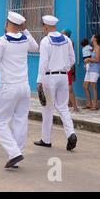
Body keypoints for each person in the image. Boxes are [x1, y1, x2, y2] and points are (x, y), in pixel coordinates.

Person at [0, 11, 39, 169]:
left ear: (7, 24)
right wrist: (25, 30)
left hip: (8, 86)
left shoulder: (2, 41)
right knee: (20, 120)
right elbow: (36, 47)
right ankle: (17, 152)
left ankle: (14, 153)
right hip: (24, 86)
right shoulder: (25, 39)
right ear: (19, 25)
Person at [34, 15, 77, 151]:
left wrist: (39, 80)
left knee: (47, 108)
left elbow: (43, 62)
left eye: (43, 27)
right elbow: (72, 59)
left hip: (49, 77)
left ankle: (46, 139)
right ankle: (71, 133)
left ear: (46, 26)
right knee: (63, 107)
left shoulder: (46, 41)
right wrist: (65, 69)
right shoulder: (67, 40)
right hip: (63, 77)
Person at [83, 34, 100, 111]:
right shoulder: (94, 48)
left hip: (95, 70)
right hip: (90, 69)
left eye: (92, 36)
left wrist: (88, 59)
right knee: (85, 86)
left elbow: (97, 60)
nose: (91, 37)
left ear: (95, 39)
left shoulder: (98, 48)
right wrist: (88, 62)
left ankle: (95, 105)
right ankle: (89, 104)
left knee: (93, 87)